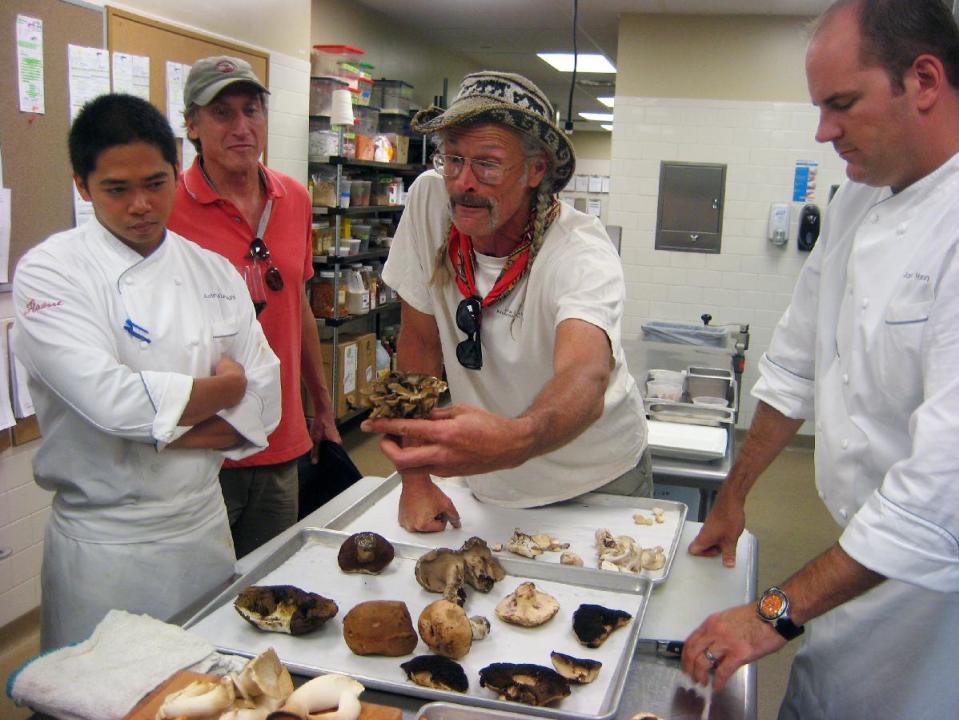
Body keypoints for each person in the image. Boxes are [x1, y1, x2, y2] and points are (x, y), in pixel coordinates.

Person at [680, 1, 959, 717]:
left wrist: (772, 610)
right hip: (854, 561)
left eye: (841, 104)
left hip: (937, 600)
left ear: (923, 79)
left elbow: (938, 496)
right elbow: (794, 364)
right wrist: (734, 492)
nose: (822, 130)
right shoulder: (854, 203)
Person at [11, 94, 281, 650]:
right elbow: (112, 404)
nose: (141, 205)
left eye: (156, 183)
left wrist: (156, 432)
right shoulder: (50, 272)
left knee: (207, 689)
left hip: (202, 530)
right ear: (82, 186)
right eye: (116, 189)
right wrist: (225, 389)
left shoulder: (211, 269)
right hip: (106, 549)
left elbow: (267, 399)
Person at [361, 71, 650, 532]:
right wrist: (415, 479)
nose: (463, 182)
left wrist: (518, 438)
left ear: (536, 171)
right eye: (452, 159)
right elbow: (419, 344)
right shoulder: (429, 202)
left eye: (488, 164)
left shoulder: (580, 252)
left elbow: (585, 374)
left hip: (595, 480)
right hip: (490, 479)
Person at [168, 56, 340, 558]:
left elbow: (300, 307)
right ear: (192, 125)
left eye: (252, 110)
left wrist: (322, 406)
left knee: (272, 588)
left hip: (280, 439)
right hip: (203, 449)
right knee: (202, 599)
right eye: (222, 113)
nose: (242, 127)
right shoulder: (168, 208)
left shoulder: (296, 198)